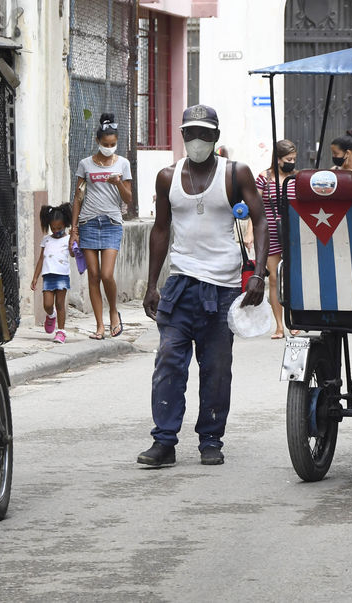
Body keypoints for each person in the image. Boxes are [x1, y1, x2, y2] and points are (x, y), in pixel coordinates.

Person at [137, 104, 268, 468]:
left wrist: (258, 273)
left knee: (216, 368)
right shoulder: (167, 177)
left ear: (216, 137)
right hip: (180, 284)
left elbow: (260, 220)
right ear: (182, 135)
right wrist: (152, 284)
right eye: (191, 133)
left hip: (222, 287)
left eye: (205, 134)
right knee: (168, 361)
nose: (197, 140)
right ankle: (163, 441)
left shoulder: (235, 173)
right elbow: (160, 229)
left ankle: (211, 440)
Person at [70, 113, 133, 339]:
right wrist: (73, 230)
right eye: (105, 144)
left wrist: (118, 183)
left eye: (112, 144)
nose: (109, 148)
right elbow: (78, 198)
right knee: (93, 276)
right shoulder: (85, 164)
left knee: (107, 274)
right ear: (97, 141)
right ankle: (99, 326)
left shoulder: (123, 164)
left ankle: (113, 312)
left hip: (112, 223)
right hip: (88, 223)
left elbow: (128, 198)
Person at [255, 139, 297, 338]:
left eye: (294, 159)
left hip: (292, 232)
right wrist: (250, 232)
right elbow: (255, 207)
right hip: (270, 232)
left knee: (292, 278)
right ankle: (279, 326)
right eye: (288, 159)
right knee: (274, 278)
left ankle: (293, 321)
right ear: (278, 159)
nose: (292, 162)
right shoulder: (264, 177)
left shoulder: (296, 178)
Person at [31, 202, 73, 344]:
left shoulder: (68, 239)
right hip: (48, 276)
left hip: (62, 276)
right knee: (47, 304)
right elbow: (41, 259)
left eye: (59, 228)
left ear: (65, 224)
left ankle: (61, 332)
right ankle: (51, 315)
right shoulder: (46, 240)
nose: (56, 231)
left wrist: (74, 242)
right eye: (53, 228)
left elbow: (73, 254)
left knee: (60, 304)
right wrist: (35, 277)